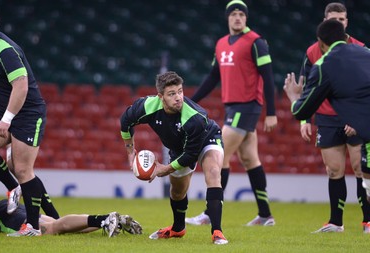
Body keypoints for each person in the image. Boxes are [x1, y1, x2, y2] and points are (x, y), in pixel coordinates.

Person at [186, 0, 277, 226]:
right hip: (233, 107)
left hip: (247, 106)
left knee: (218, 154)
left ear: (246, 18)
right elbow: (213, 77)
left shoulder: (257, 42)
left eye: (241, 14)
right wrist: (191, 101)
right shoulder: (221, 44)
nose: (238, 17)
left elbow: (268, 78)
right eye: (234, 14)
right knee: (249, 159)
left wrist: (272, 112)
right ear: (228, 18)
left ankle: (210, 212)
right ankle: (265, 214)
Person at [120, 71, 228, 245]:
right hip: (179, 148)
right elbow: (125, 121)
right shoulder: (147, 106)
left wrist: (165, 168)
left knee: (214, 172)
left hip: (208, 137)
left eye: (180, 91)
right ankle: (178, 229)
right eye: (172, 94)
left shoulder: (195, 117)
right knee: (177, 191)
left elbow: (191, 154)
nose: (178, 97)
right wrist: (130, 151)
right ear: (160, 96)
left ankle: (217, 231)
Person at [283, 19, 370, 234]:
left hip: (361, 128)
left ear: (322, 44)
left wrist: (294, 96)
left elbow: (301, 110)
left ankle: (367, 221)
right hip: (354, 125)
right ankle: (337, 222)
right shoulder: (367, 53)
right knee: (352, 174)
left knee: (365, 175)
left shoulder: (324, 65)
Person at [0, 9, 52, 236]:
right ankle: (12, 187)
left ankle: (32, 227)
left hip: (27, 113)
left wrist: (7, 120)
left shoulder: (6, 50)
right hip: (0, 109)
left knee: (23, 168)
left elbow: (21, 86)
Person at [0, 198, 142, 237]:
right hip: (8, 207)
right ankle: (109, 219)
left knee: (53, 229)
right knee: (59, 225)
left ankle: (104, 220)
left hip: (4, 217)